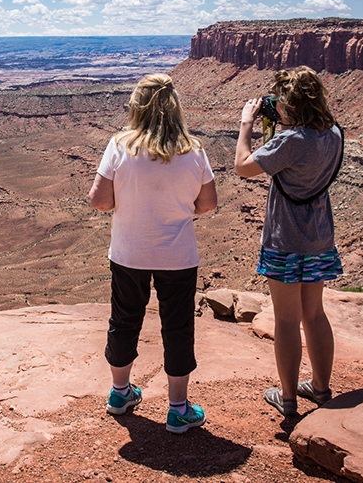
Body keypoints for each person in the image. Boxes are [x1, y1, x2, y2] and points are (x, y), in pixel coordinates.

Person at [88, 73, 217, 434]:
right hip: (177, 255)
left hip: (129, 252)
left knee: (124, 320)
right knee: (178, 327)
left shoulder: (120, 146)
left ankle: (119, 394)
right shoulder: (194, 150)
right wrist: (177, 208)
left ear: (137, 105)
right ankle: (178, 410)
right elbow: (208, 204)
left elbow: (98, 200)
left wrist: (129, 203)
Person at [234, 65, 343, 417]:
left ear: (291, 102)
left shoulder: (291, 140)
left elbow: (243, 167)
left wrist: (247, 124)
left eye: (278, 101)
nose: (274, 106)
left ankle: (288, 397)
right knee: (314, 314)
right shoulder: (333, 133)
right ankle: (321, 388)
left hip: (285, 240)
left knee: (286, 319)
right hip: (319, 238)